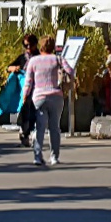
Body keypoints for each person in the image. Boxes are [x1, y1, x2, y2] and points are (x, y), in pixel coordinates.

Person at [22, 38, 71, 166]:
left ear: (41, 47)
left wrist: (25, 96)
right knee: (55, 128)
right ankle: (54, 157)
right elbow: (71, 71)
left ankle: (38, 157)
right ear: (53, 47)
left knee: (40, 127)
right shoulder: (58, 59)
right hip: (56, 96)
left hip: (39, 97)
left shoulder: (34, 60)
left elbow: (28, 81)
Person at [13, 34, 39, 147]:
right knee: (25, 110)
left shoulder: (39, 56)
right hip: (24, 88)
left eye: (30, 45)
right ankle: (24, 132)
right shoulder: (22, 57)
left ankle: (30, 133)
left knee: (33, 111)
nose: (28, 48)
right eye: (25, 45)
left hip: (37, 88)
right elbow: (9, 66)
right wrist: (13, 68)